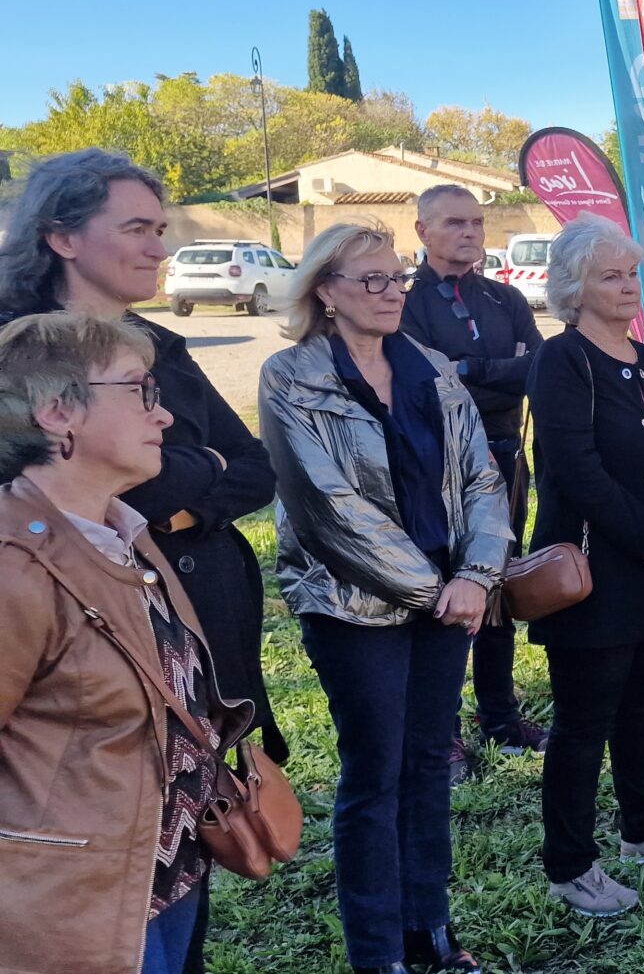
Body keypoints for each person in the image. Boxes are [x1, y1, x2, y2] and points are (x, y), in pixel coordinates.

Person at [0, 148, 283, 974]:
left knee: (175, 919)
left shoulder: (159, 344)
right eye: (137, 228)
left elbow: (255, 469)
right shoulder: (17, 359)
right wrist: (188, 483)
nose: (159, 248)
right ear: (60, 236)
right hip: (75, 823)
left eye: (161, 229)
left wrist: (154, 487)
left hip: (178, 707)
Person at [259, 222, 512, 974]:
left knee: (428, 762)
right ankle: (378, 954)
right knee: (375, 771)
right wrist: (443, 589)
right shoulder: (291, 376)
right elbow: (329, 508)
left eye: (395, 276)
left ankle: (428, 934)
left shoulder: (432, 366)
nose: (391, 290)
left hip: (450, 596)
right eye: (370, 279)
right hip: (351, 605)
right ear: (325, 293)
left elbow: (482, 478)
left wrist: (477, 574)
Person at [528, 214, 644, 918]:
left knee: (642, 709)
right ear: (573, 285)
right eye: (610, 275)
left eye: (631, 272)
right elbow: (576, 471)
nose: (627, 286)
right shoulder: (563, 359)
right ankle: (571, 865)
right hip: (598, 572)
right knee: (583, 721)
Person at [400, 184, 548, 763]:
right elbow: (424, 383)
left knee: (498, 591)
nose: (469, 233)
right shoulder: (407, 302)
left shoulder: (507, 299)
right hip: (440, 468)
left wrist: (470, 366)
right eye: (454, 223)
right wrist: (493, 371)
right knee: (446, 592)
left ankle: (500, 718)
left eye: (476, 223)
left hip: (508, 459)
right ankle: (442, 733)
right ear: (423, 232)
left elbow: (536, 368)